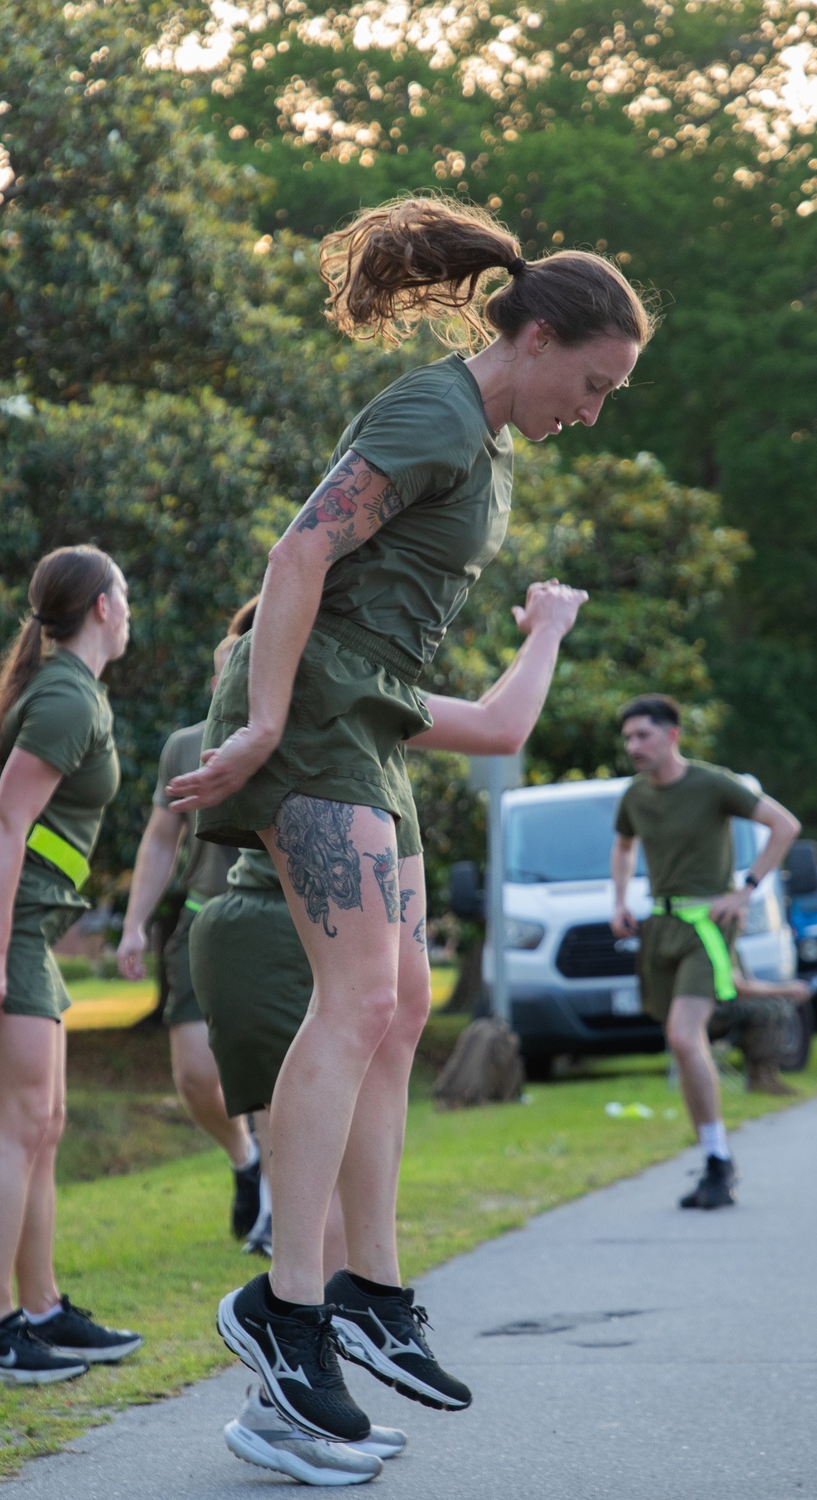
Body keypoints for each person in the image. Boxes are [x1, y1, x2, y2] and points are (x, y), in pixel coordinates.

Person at [167, 192, 654, 1443]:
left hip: (368, 716)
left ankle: (370, 1291)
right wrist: (261, 723)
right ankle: (288, 1305)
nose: (593, 412)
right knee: (354, 1005)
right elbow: (297, 556)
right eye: (593, 385)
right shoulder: (431, 412)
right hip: (315, 715)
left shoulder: (485, 442)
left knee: (400, 1005)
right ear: (535, 339)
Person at [197, 580, 586, 1484]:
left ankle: (303, 1385)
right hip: (271, 943)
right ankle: (284, 1401)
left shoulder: (363, 700)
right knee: (317, 1182)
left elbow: (500, 724)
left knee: (349, 1156)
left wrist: (547, 631)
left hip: (318, 945)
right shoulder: (294, 691)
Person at [0, 545, 143, 1386]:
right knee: (17, 1122)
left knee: (44, 1122)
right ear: (101, 607)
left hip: (25, 919)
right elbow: (10, 826)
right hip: (2, 919)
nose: (129, 608)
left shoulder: (75, 691)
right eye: (124, 594)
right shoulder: (65, 697)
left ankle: (43, 1309)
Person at [610, 693, 801, 1210]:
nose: (633, 746)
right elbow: (623, 846)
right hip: (660, 925)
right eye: (628, 738)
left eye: (643, 735)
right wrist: (620, 900)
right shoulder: (634, 795)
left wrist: (746, 889)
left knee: (682, 1034)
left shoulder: (713, 784)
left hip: (707, 927)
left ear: (672, 735)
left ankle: (718, 1162)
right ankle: (715, 1157)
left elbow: (785, 826)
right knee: (680, 1041)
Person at [116, 603, 265, 1246]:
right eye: (226, 671)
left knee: (274, 1072)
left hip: (277, 920)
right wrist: (133, 925)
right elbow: (159, 841)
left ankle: (279, 1213)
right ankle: (246, 1159)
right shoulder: (184, 744)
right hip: (203, 919)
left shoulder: (289, 736)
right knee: (196, 1077)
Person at [708, 971, 813, 1096]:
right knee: (769, 1011)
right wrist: (786, 989)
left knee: (772, 1006)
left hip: (723, 1005)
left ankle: (766, 1075)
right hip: (710, 1010)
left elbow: (748, 982)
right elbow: (740, 987)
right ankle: (760, 1078)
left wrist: (784, 990)